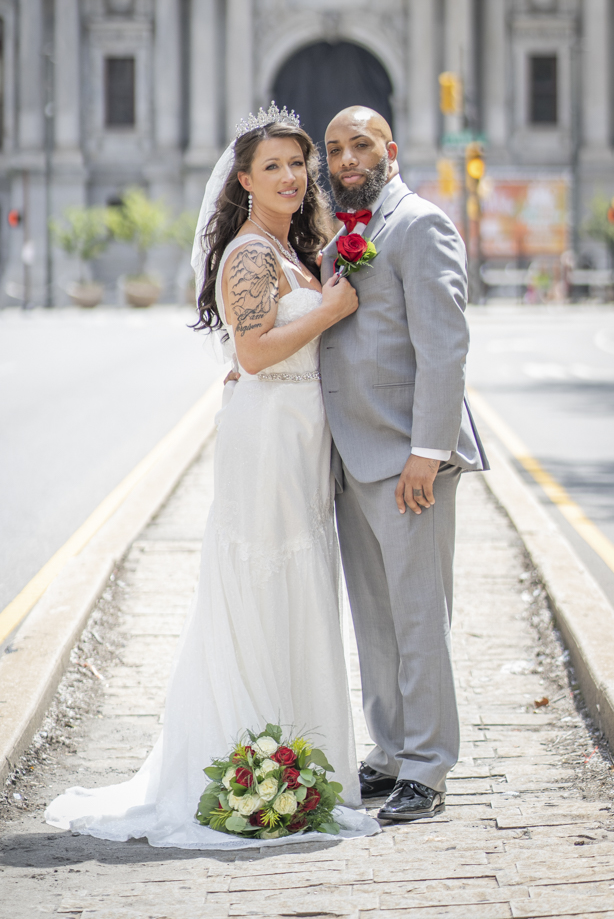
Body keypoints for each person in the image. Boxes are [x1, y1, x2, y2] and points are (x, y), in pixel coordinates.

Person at [45, 105, 379, 848]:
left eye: (299, 164)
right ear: (243, 179)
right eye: (274, 167)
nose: (292, 176)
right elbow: (255, 354)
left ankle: (300, 762)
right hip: (265, 439)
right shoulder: (246, 256)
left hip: (298, 436)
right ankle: (256, 764)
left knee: (299, 586)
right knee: (263, 585)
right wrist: (330, 310)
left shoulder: (290, 247)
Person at [320, 106, 489, 823]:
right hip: (352, 458)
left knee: (418, 619)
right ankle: (389, 752)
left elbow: (445, 346)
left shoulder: (419, 225)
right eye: (334, 149)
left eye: (360, 144)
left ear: (389, 149)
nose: (345, 158)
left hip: (406, 458)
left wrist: (428, 451)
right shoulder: (345, 234)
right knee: (376, 619)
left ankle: (428, 766)